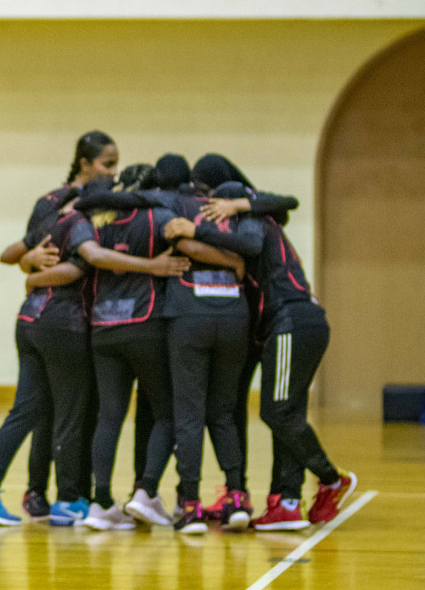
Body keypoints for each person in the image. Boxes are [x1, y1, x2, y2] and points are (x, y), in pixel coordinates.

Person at [190, 179, 358, 530]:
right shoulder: (262, 218)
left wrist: (197, 231)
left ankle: (331, 479)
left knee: (277, 412)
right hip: (299, 322)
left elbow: (250, 244)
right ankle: (288, 502)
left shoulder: (254, 222)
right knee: (289, 414)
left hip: (292, 321)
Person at [0, 131, 119, 523]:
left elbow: (26, 256)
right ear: (84, 163)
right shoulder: (57, 203)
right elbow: (29, 253)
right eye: (108, 164)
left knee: (47, 408)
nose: (113, 172)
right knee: (59, 412)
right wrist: (31, 268)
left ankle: (26, 492)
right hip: (60, 316)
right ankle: (48, 493)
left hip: (62, 318)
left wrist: (29, 267)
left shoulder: (101, 203)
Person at [67, 170, 190, 531]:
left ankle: (100, 501)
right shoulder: (159, 217)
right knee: (166, 414)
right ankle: (146, 492)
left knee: (109, 416)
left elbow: (89, 255)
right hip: (146, 324)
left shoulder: (95, 221)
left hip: (103, 329)